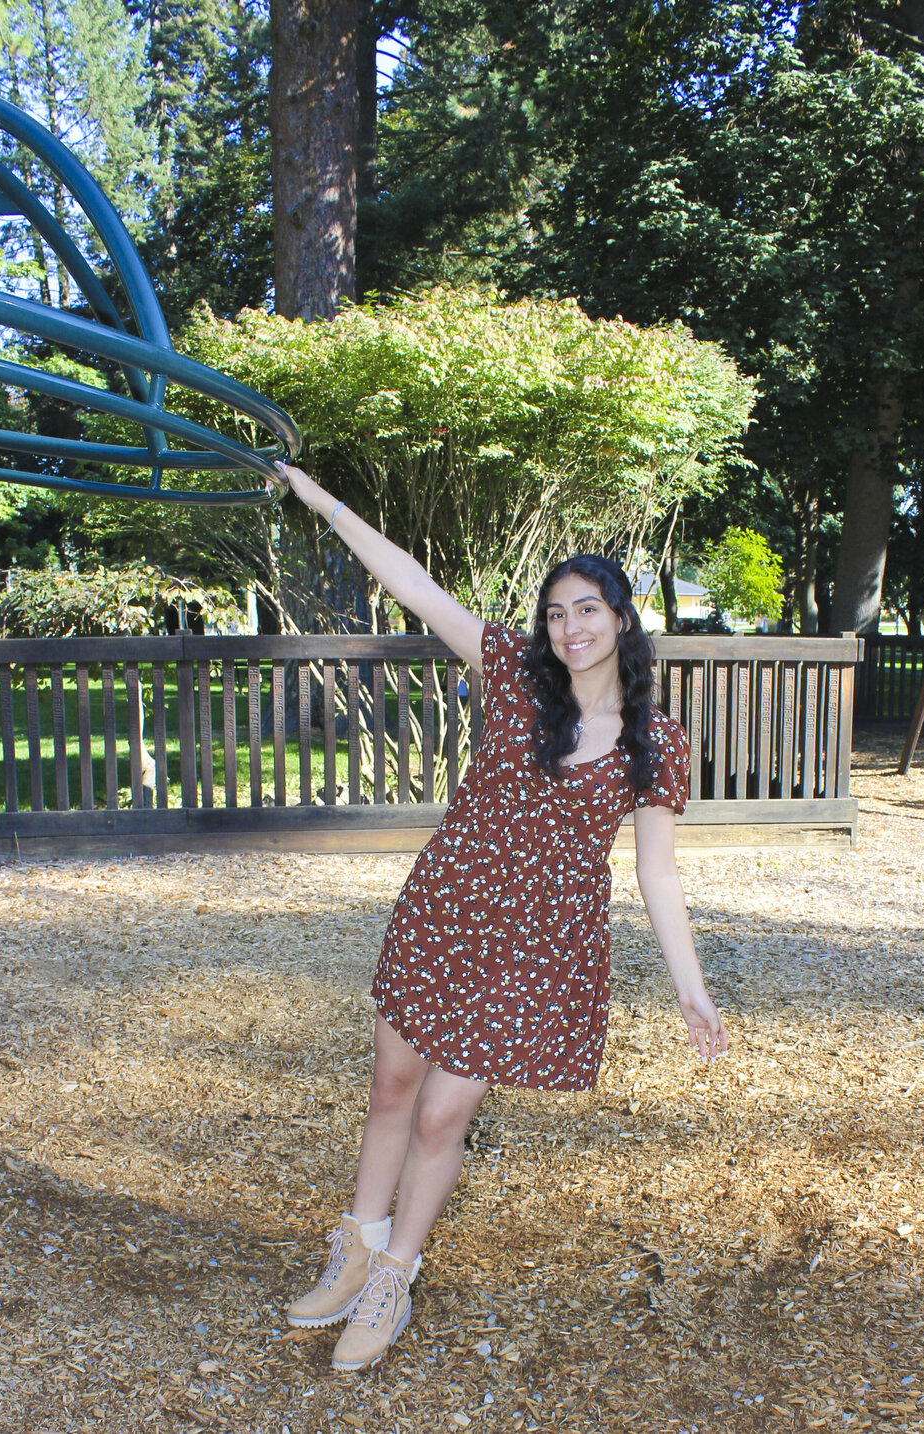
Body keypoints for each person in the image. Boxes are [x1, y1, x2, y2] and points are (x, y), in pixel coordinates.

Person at [275, 464, 729, 1373]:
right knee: (393, 1089)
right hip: (447, 908)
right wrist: (322, 500)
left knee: (445, 1114)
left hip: (539, 944)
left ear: (622, 618)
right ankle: (359, 1239)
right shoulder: (519, 680)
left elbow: (657, 869)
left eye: (588, 609)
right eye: (557, 612)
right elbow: (412, 583)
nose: (571, 627)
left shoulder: (657, 740)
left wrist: (693, 989)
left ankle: (394, 1277)